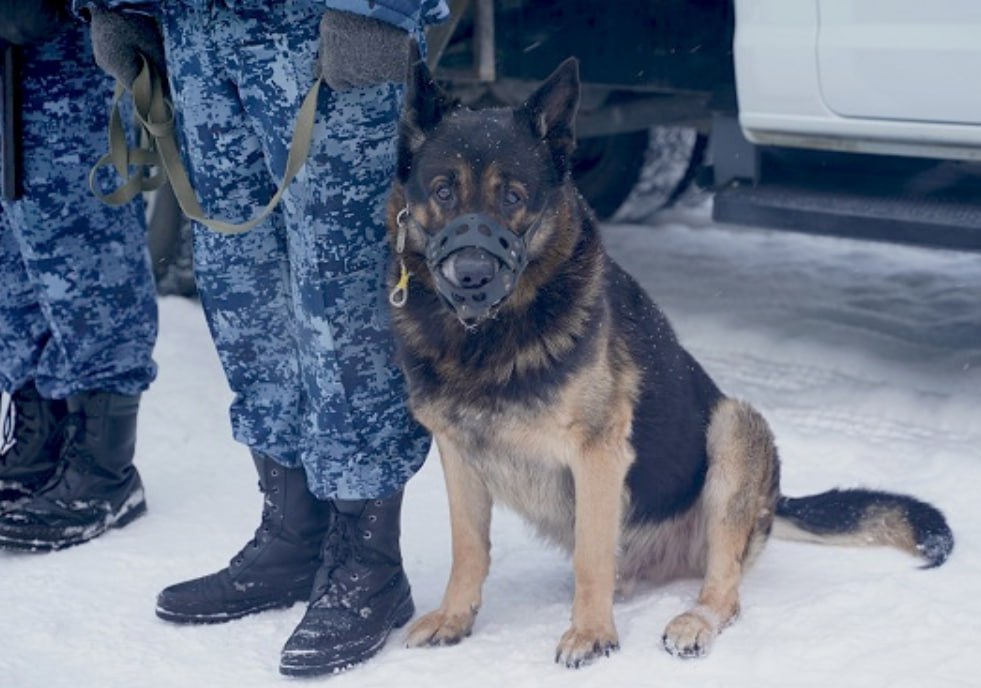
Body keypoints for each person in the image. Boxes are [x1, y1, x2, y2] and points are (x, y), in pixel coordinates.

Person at [81, 0, 449, 677]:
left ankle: (368, 562)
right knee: (239, 282)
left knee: (340, 291)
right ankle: (293, 537)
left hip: (315, 26)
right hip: (195, 26)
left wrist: (378, 10)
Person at [0, 2, 157, 550]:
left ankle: (104, 470)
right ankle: (39, 445)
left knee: (86, 258)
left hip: (72, 42)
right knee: (14, 260)